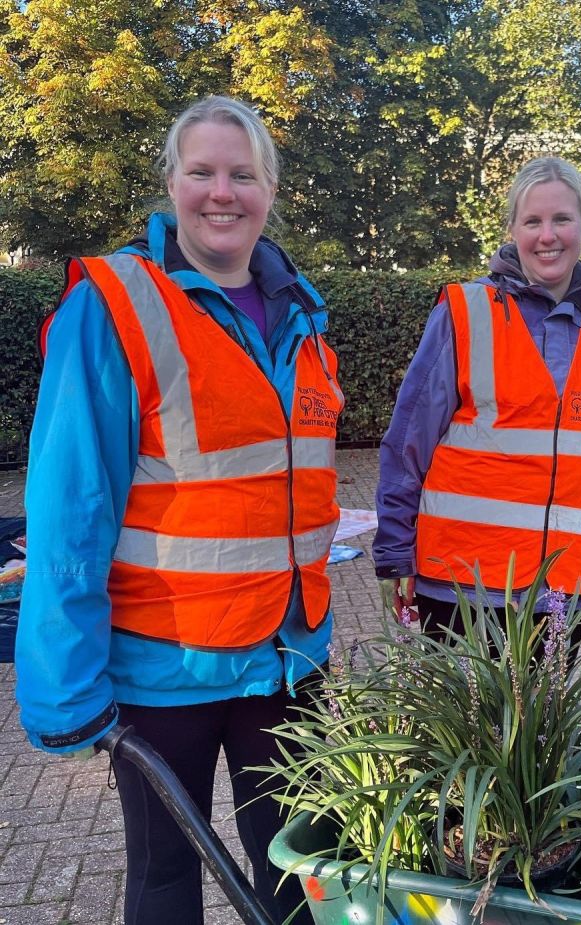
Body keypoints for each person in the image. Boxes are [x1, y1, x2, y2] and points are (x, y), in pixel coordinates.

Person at [15, 96, 339, 925]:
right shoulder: (115, 304)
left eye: (242, 173)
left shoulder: (303, 313)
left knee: (302, 875)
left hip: (287, 659)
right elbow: (69, 505)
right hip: (165, 670)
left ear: (270, 189)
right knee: (165, 880)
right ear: (171, 181)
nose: (221, 192)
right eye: (201, 171)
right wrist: (65, 685)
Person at [374, 156, 581, 643]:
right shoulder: (465, 312)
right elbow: (408, 439)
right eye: (532, 221)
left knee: (543, 723)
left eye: (562, 219)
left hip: (558, 590)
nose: (547, 235)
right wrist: (395, 552)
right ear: (512, 228)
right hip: (459, 586)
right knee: (458, 723)